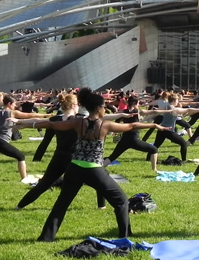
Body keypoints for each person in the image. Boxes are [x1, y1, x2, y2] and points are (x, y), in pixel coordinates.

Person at [34, 88, 147, 242]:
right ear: (99, 108)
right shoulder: (104, 124)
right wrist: (154, 126)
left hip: (74, 168)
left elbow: (51, 124)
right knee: (121, 201)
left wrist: (27, 124)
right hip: (94, 170)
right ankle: (124, 237)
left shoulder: (79, 122)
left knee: (61, 204)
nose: (105, 108)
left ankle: (46, 237)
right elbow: (131, 127)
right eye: (104, 106)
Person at [102, 95, 165, 172]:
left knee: (112, 157)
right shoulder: (138, 112)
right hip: (134, 140)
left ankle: (98, 170)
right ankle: (154, 169)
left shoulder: (123, 112)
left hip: (124, 139)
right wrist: (168, 111)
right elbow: (154, 111)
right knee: (154, 149)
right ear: (136, 103)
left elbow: (113, 115)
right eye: (138, 103)